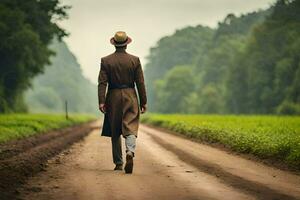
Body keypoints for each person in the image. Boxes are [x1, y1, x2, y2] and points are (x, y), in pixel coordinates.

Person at [98, 31, 147, 174]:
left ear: (114, 44)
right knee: (130, 127)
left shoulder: (106, 60)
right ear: (126, 44)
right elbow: (140, 83)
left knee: (115, 130)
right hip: (130, 96)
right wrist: (143, 101)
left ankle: (119, 163)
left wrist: (101, 101)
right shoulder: (135, 60)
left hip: (113, 97)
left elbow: (102, 83)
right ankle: (130, 151)